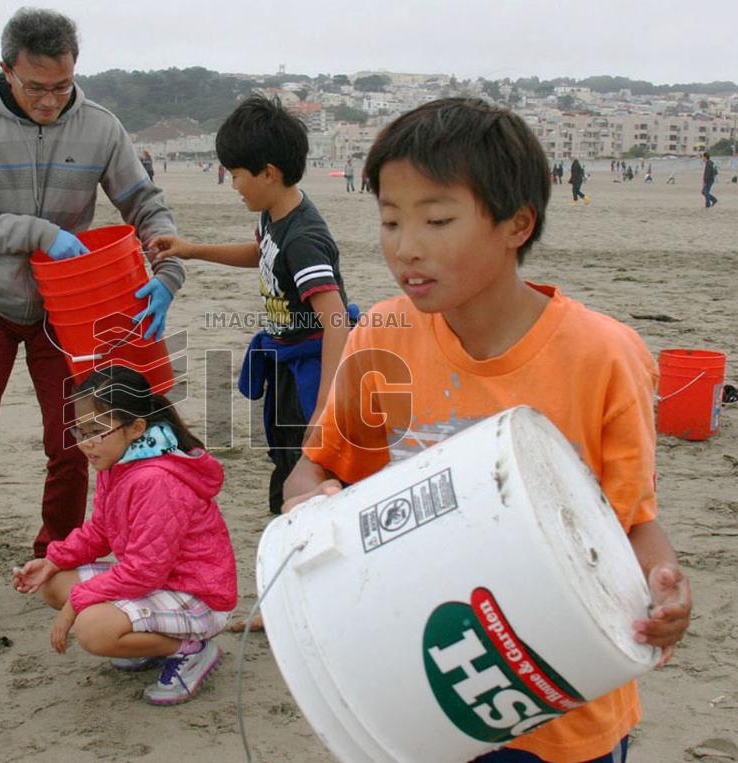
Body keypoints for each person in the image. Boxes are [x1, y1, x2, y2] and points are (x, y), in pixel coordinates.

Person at [283, 97, 692, 763]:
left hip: (561, 697)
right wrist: (307, 508)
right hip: (422, 680)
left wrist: (666, 586)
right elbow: (317, 469)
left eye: (437, 219)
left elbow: (632, 522)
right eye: (390, 219)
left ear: (516, 224)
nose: (405, 246)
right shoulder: (382, 335)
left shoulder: (605, 356)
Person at [0, 7, 185, 625]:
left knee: (72, 441)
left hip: (64, 312)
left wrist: (168, 273)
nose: (50, 99)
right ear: (7, 70)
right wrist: (38, 232)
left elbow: (145, 202)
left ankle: (57, 558)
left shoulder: (99, 126)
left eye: (62, 85)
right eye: (36, 86)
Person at [151, 94, 354, 514]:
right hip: (285, 359)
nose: (232, 183)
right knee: (283, 459)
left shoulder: (303, 240)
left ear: (268, 173)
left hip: (314, 367)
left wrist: (323, 407)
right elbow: (261, 254)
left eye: (236, 174)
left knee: (312, 473)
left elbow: (336, 321)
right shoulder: (274, 215)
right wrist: (190, 250)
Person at [12, 366, 236, 705]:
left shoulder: (155, 479)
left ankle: (191, 650)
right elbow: (101, 531)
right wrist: (53, 560)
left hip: (198, 595)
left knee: (92, 628)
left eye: (97, 431)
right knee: (55, 582)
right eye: (80, 431)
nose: (86, 443)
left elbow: (144, 571)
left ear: (136, 427)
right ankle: (150, 640)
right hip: (159, 582)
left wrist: (79, 601)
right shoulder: (117, 460)